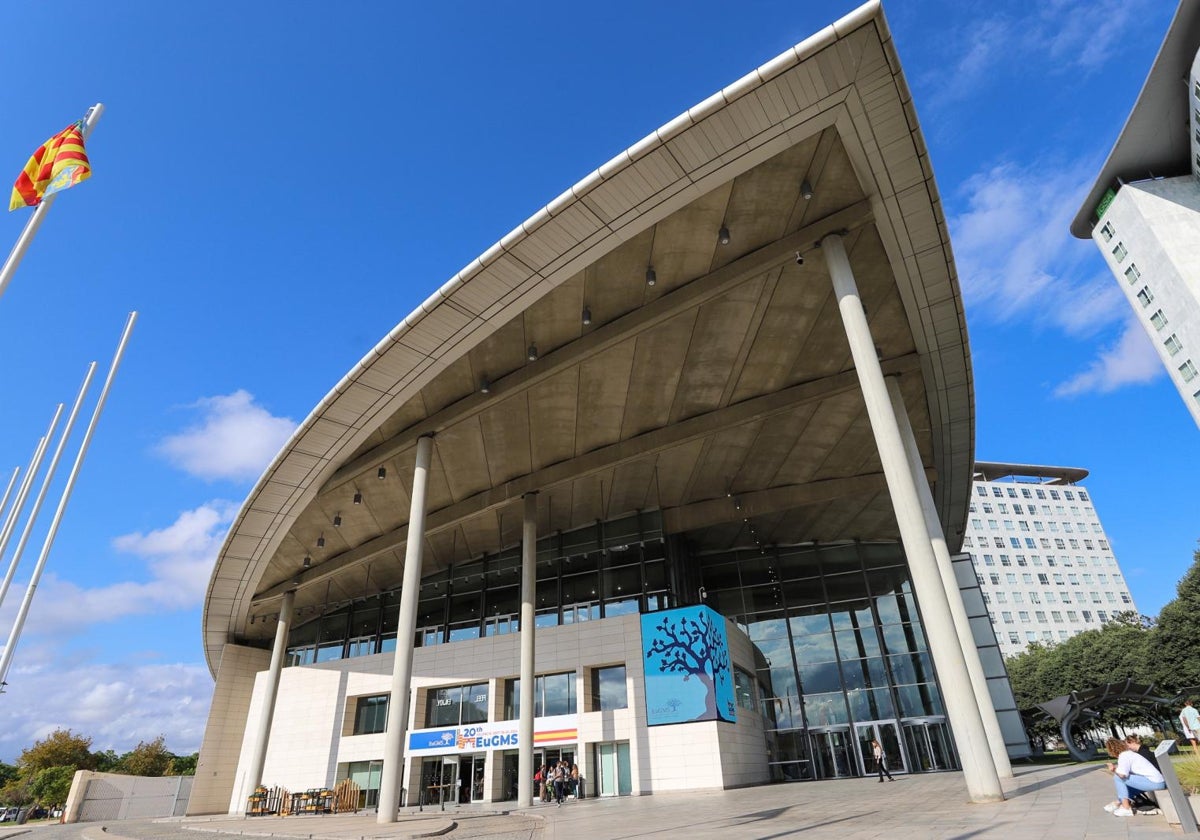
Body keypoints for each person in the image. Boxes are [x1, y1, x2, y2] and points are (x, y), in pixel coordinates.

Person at [1102, 736, 1165, 817]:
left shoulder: (1124, 756)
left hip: (1155, 782)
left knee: (1117, 778)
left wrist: (1113, 769)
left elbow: (1122, 775)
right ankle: (1118, 803)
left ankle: (1126, 808)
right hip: (1157, 781)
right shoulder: (1129, 754)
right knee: (1126, 787)